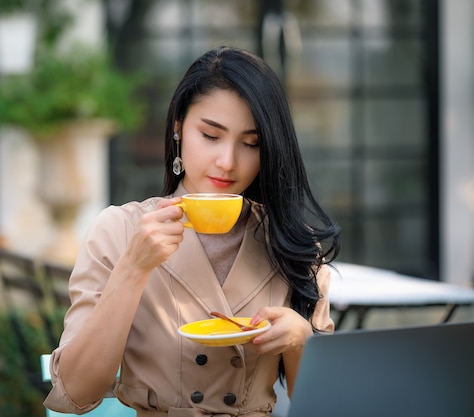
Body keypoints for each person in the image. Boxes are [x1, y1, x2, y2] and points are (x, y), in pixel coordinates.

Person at [44, 45, 340, 416]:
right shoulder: (121, 231)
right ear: (178, 127)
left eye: (251, 144)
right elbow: (74, 393)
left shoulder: (292, 244)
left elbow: (325, 405)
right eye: (211, 136)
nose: (228, 162)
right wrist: (134, 268)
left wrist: (300, 342)